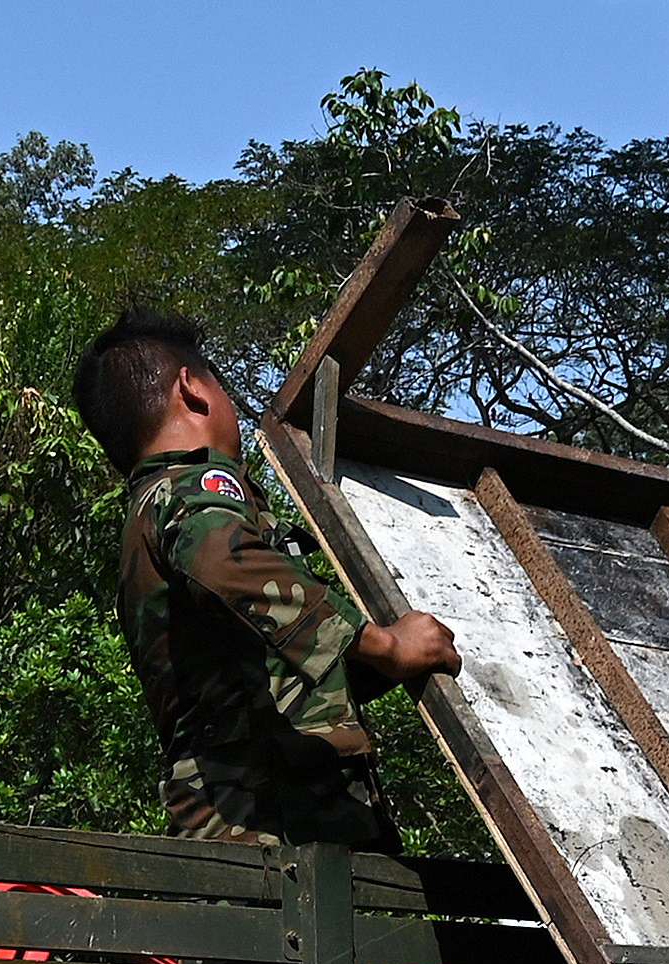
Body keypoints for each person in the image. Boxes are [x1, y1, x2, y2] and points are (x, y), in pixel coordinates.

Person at [74, 305, 462, 850]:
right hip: (270, 839)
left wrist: (378, 663)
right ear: (192, 389)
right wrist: (386, 645)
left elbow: (268, 680)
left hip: (265, 833)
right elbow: (221, 561)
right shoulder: (191, 486)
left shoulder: (152, 509)